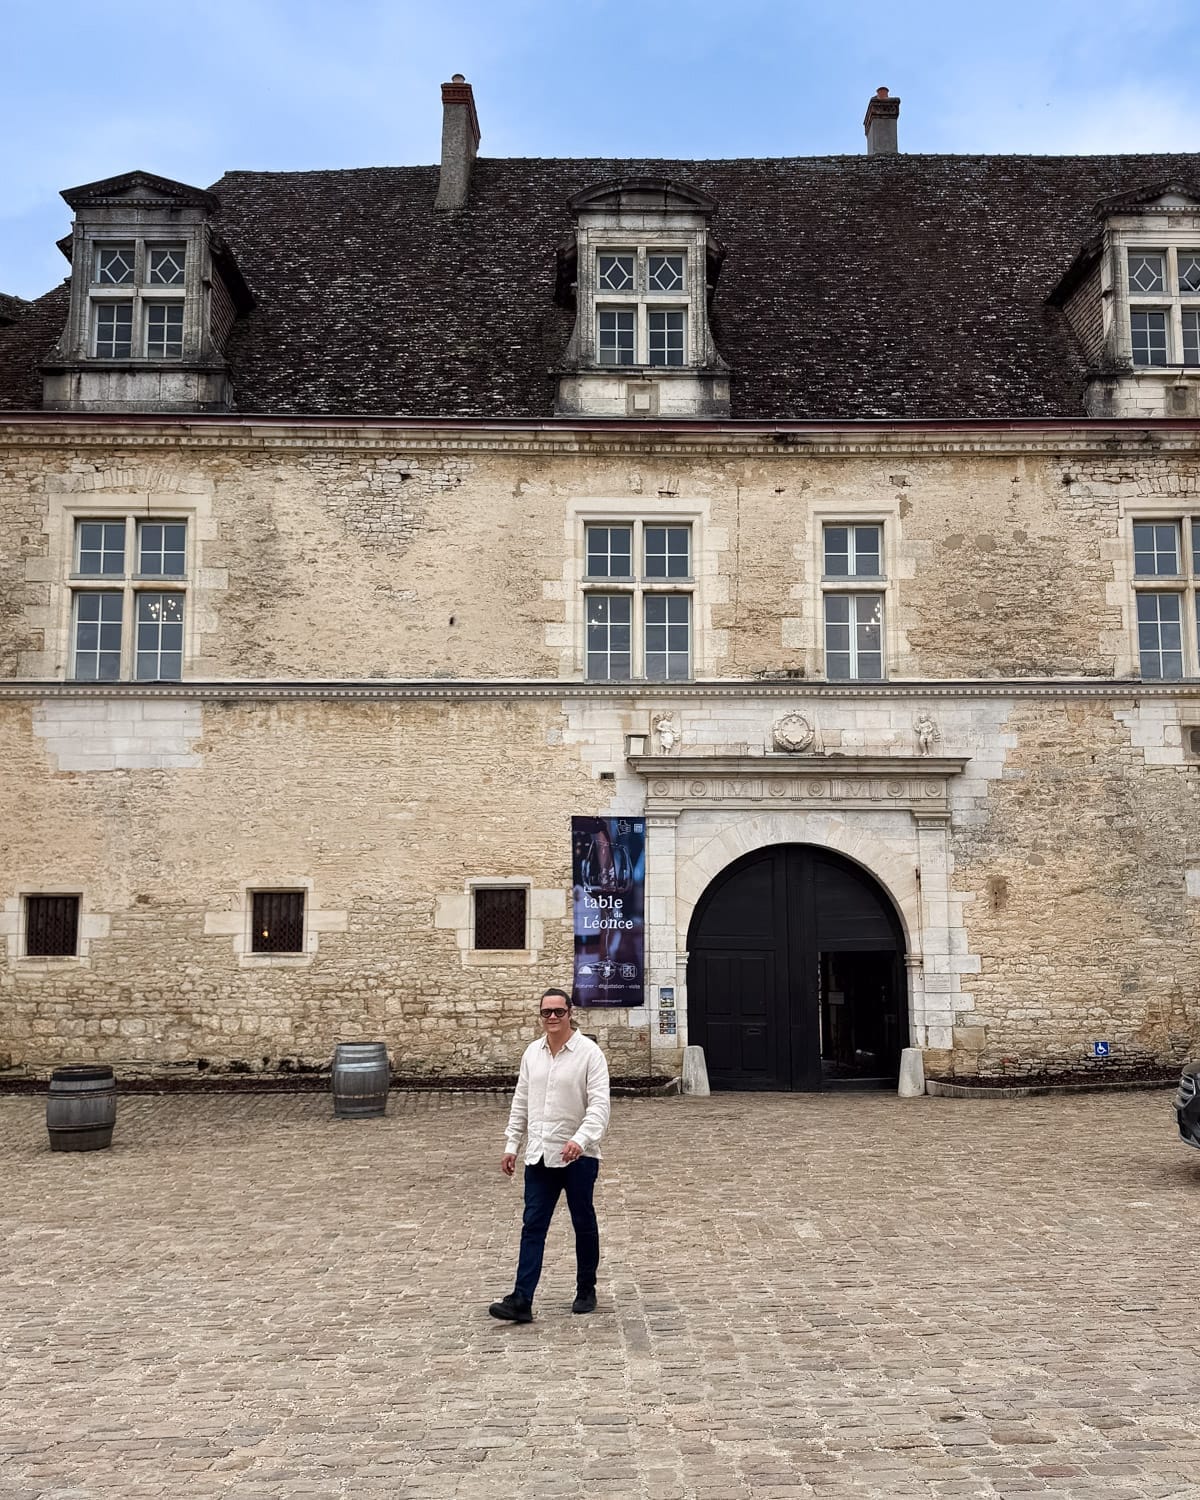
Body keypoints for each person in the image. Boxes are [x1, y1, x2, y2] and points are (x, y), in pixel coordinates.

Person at [488, 988, 611, 1323]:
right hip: (540, 1156)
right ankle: (522, 1299)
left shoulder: (589, 1054)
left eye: (559, 1011)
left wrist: (581, 1140)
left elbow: (599, 1107)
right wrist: (512, 1144)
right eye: (547, 1013)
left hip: (578, 1158)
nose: (553, 1018)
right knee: (533, 1226)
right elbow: (521, 1102)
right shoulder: (532, 1053)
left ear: (570, 1012)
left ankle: (586, 1287)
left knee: (582, 1221)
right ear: (540, 1016)